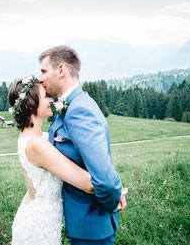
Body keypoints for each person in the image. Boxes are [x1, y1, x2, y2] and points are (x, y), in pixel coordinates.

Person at [38, 45, 125, 244]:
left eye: (44, 71)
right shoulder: (71, 105)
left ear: (61, 70)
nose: (40, 78)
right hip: (81, 225)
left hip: (91, 227)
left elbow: (105, 182)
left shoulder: (79, 110)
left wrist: (113, 201)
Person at [8, 75, 96, 245]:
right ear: (30, 104)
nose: (51, 99)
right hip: (38, 228)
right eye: (45, 96)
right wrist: (113, 190)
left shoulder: (36, 137)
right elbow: (88, 183)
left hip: (44, 220)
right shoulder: (36, 144)